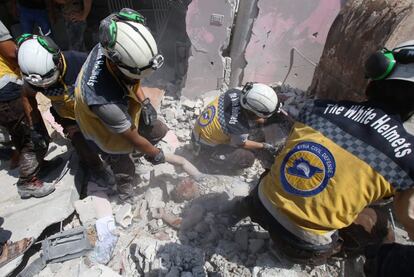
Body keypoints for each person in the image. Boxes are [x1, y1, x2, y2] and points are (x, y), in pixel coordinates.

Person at [235, 41, 414, 265]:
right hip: (300, 247)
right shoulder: (407, 156)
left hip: (260, 206)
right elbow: (409, 216)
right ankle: (367, 264)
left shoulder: (317, 109)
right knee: (378, 223)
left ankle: (240, 207)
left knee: (283, 165)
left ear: (373, 80)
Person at [74, 8, 168, 201]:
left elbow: (132, 80)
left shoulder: (111, 43)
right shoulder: (104, 101)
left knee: (157, 130)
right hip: (101, 129)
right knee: (123, 164)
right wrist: (155, 153)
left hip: (119, 109)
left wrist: (145, 102)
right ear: (117, 64)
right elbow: (131, 137)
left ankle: (137, 156)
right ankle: (125, 192)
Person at [17, 34, 114, 188]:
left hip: (93, 110)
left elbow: (111, 78)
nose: (45, 87)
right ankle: (96, 168)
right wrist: (35, 127)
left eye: (49, 80)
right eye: (41, 85)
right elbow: (27, 95)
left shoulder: (80, 61)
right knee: (82, 145)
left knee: (112, 139)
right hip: (67, 116)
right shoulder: (35, 78)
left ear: (58, 60)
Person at [0, 21, 55, 198]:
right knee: (32, 136)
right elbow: (10, 52)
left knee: (18, 134)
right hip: (6, 88)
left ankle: (37, 165)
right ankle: (27, 181)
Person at [191, 82, 282, 173]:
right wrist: (264, 146)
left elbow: (243, 113)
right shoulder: (239, 127)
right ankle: (208, 165)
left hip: (199, 131)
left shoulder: (233, 93)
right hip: (203, 147)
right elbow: (241, 144)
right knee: (247, 158)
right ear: (253, 114)